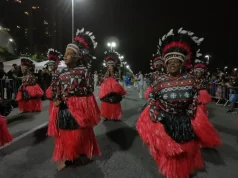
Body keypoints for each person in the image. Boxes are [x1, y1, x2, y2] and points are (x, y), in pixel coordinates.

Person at [136, 28, 221, 178]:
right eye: (170, 62)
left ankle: (182, 173)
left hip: (184, 120)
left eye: (176, 62)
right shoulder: (159, 80)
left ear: (182, 63)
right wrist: (155, 113)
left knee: (184, 152)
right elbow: (152, 97)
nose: (173, 64)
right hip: (165, 119)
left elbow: (195, 97)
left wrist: (190, 113)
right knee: (170, 154)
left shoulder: (190, 79)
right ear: (166, 63)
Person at [47, 28, 101, 171]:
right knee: (65, 132)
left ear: (77, 57)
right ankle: (69, 157)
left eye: (70, 54)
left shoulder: (85, 71)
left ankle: (82, 153)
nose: (66, 56)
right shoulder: (61, 73)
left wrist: (73, 93)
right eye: (65, 53)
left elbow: (89, 89)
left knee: (80, 132)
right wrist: (57, 98)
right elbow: (55, 89)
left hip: (79, 108)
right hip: (64, 108)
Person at [99, 51, 127, 121]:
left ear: (114, 65)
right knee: (106, 103)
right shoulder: (106, 72)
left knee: (115, 103)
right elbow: (104, 79)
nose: (110, 66)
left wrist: (112, 74)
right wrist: (108, 74)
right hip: (106, 90)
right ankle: (106, 115)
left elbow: (117, 80)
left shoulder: (117, 73)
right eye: (108, 65)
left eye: (111, 65)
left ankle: (115, 115)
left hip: (114, 90)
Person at [45, 49, 61, 116]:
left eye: (52, 65)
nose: (50, 67)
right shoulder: (49, 74)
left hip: (56, 92)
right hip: (52, 92)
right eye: (49, 65)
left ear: (56, 65)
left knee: (56, 108)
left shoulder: (57, 73)